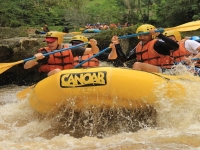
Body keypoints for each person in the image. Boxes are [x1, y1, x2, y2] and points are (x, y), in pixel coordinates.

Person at [24, 31, 99, 78]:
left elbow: (94, 51)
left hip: (67, 78)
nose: (49, 44)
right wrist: (35, 58)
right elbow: (26, 66)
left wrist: (94, 45)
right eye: (48, 42)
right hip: (47, 78)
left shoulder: (71, 49)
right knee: (57, 71)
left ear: (59, 40)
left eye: (52, 42)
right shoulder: (45, 53)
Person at [110, 24, 179, 73]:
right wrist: (117, 44)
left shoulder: (157, 43)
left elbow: (176, 46)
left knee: (137, 65)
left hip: (166, 71)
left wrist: (160, 35)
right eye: (140, 34)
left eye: (145, 34)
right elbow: (124, 59)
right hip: (150, 73)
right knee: (123, 69)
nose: (141, 36)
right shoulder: (138, 47)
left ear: (151, 35)